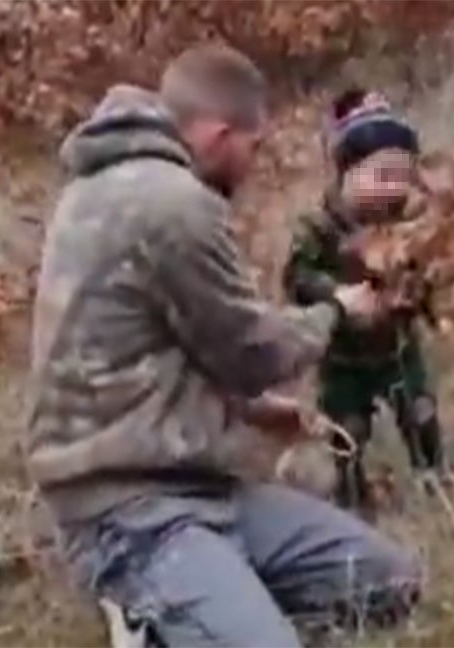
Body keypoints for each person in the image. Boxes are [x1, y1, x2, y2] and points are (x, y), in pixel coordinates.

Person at [27, 45, 419, 647]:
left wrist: (253, 410)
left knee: (390, 585)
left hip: (201, 487)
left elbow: (154, 351)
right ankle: (147, 615)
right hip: (128, 512)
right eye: (254, 147)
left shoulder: (105, 186)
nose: (254, 165)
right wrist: (335, 314)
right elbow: (251, 351)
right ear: (218, 134)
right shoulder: (174, 203)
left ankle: (211, 600)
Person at [282, 89, 447, 514]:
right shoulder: (320, 227)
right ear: (348, 173)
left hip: (397, 347)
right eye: (381, 176)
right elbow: (296, 277)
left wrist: (426, 305)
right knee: (348, 430)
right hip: (343, 355)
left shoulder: (406, 223)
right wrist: (335, 294)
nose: (392, 188)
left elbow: (425, 273)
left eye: (401, 177)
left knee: (420, 412)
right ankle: (353, 501)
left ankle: (434, 478)